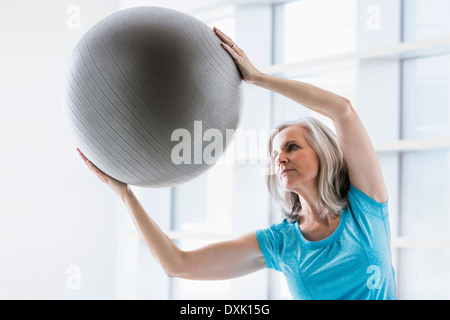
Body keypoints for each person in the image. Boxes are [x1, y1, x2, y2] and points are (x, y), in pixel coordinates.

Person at [77, 27, 396, 300]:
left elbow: (343, 110)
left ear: (322, 153)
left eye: (292, 147)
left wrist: (257, 77)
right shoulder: (281, 243)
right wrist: (125, 194)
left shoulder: (365, 206)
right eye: (274, 154)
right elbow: (178, 264)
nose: (280, 158)